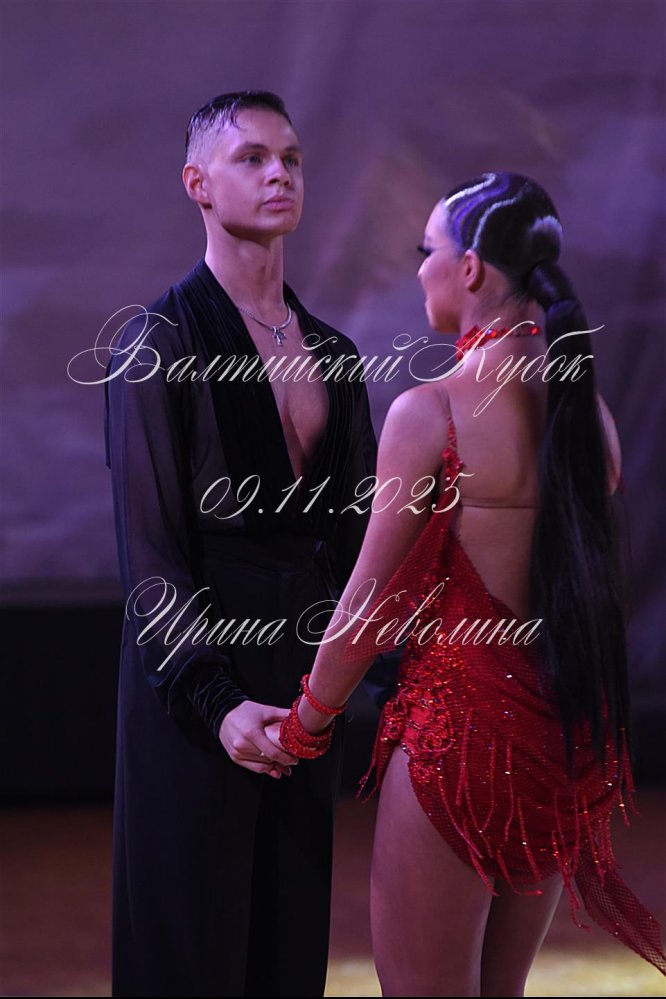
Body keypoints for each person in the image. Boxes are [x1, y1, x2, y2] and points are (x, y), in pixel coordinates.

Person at [272, 172, 666, 995]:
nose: (421, 268)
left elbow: (371, 602)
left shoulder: (433, 412)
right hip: (559, 743)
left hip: (456, 747)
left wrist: (305, 723)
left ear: (473, 268)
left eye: (428, 251)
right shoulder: (588, 418)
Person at [104, 91, 376, 997]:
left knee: (286, 955)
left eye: (290, 158)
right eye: (252, 158)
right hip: (192, 698)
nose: (279, 174)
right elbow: (151, 559)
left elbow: (362, 549)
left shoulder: (335, 355)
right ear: (197, 183)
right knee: (191, 954)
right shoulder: (156, 343)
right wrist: (218, 704)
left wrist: (344, 693)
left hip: (304, 696)